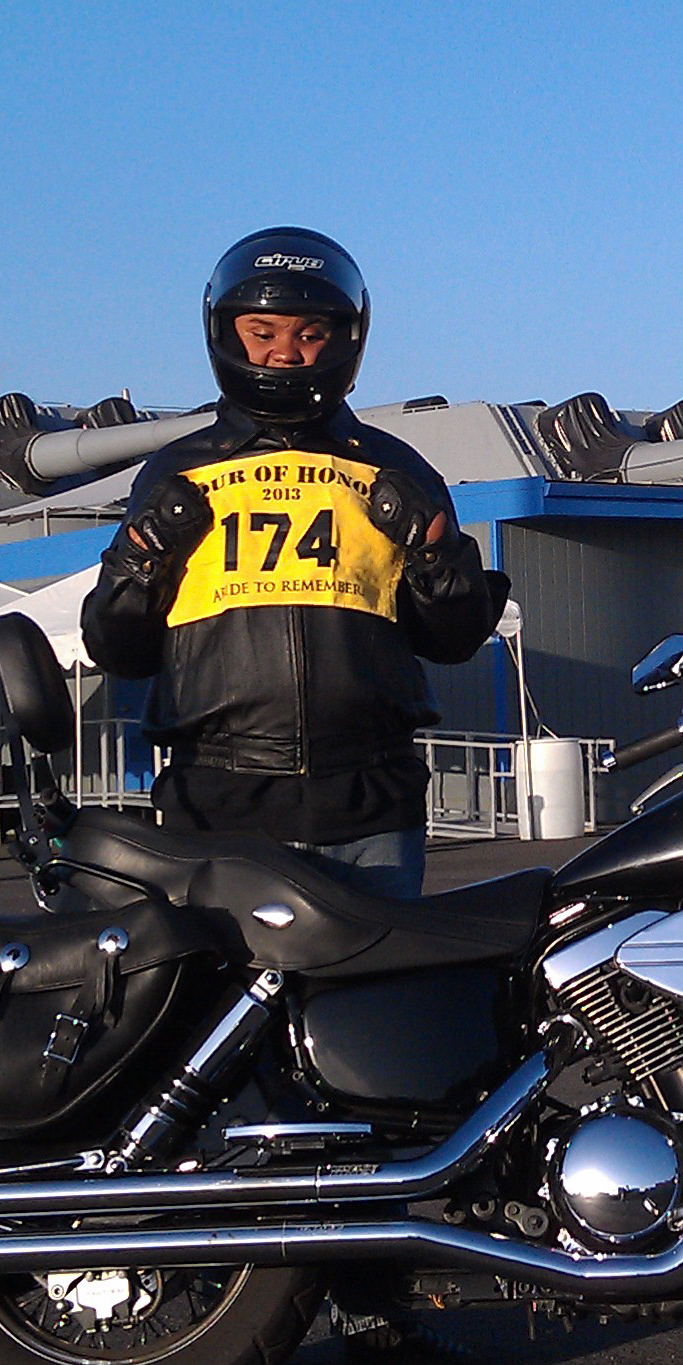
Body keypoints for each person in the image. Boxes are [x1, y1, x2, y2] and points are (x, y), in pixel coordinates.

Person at [81, 228, 508, 899]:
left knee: (372, 1000)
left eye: (310, 333)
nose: (284, 352)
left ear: (347, 339)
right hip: (220, 804)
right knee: (223, 1005)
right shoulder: (178, 471)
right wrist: (137, 566)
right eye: (262, 331)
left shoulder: (391, 467)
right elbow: (117, 649)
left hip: (371, 802)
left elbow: (452, 641)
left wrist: (435, 557)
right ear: (225, 332)